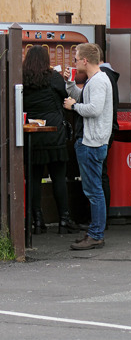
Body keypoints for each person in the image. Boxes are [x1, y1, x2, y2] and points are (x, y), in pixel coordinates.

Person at [21, 46, 79, 235]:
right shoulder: (53, 77)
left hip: (32, 132)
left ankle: (37, 221)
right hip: (54, 132)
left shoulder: (23, 78)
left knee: (34, 179)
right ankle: (64, 219)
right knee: (58, 177)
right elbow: (65, 97)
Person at [63, 43, 113, 250]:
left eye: (76, 58)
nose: (74, 61)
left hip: (92, 142)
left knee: (94, 191)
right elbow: (83, 96)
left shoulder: (99, 81)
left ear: (85, 60)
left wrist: (73, 106)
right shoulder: (96, 80)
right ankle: (95, 231)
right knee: (94, 190)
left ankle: (95, 234)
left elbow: (94, 108)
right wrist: (69, 83)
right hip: (92, 141)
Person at [97, 45, 120, 223]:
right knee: (102, 174)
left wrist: (75, 105)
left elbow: (96, 108)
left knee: (100, 176)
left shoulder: (102, 77)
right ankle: (102, 220)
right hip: (109, 129)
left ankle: (100, 220)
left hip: (102, 131)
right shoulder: (110, 76)